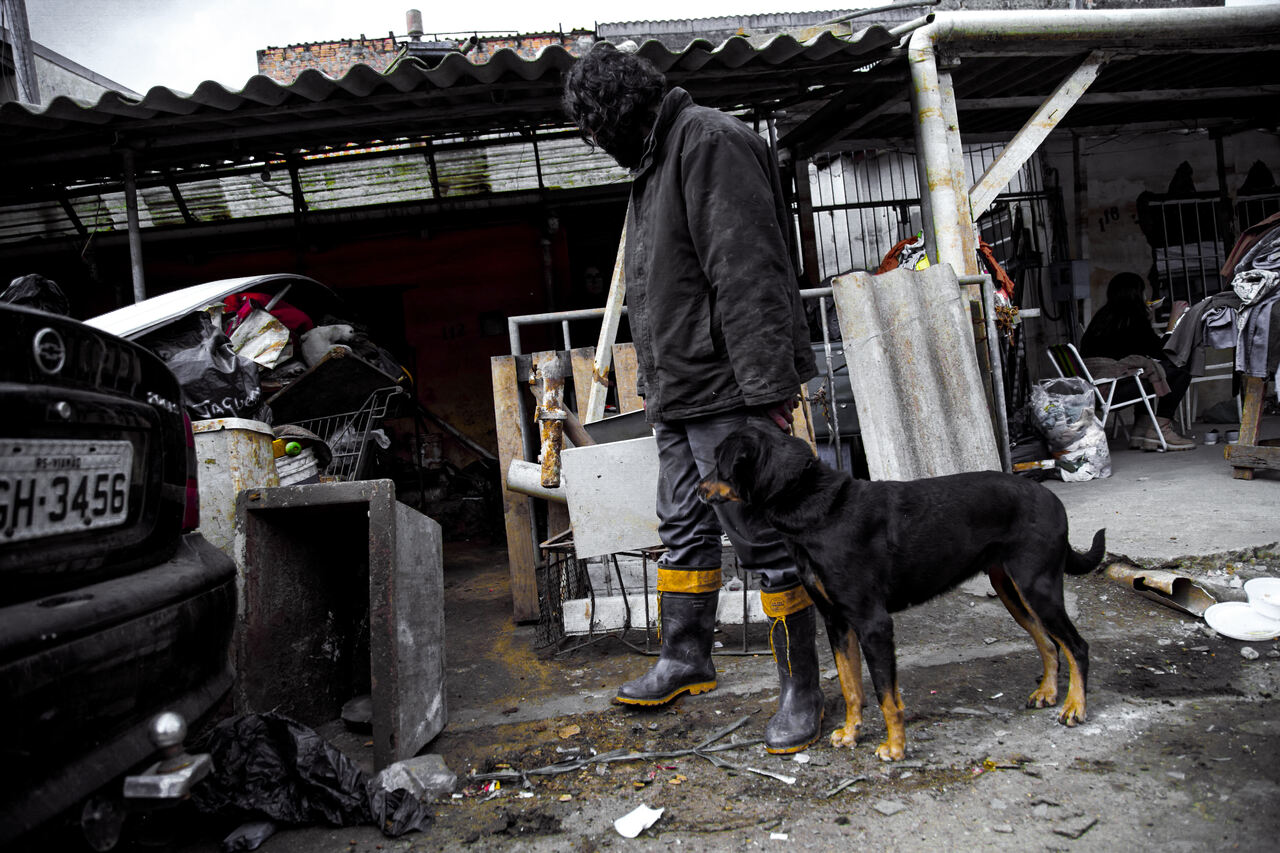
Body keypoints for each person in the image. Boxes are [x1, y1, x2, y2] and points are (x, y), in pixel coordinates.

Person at [562, 44, 823, 753]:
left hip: (728, 389)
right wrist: (654, 386)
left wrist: (769, 391)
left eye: (595, 132)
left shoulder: (708, 142)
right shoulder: (655, 159)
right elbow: (658, 286)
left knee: (764, 538)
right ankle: (685, 655)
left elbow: (748, 275)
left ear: (617, 116)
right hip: (680, 391)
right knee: (682, 524)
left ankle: (804, 686)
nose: (598, 147)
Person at [1079, 272, 1193, 450]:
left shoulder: (1105, 316)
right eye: (1143, 292)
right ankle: (1160, 429)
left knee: (1143, 371)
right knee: (1180, 372)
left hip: (1095, 391)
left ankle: (1141, 429)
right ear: (1137, 294)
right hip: (1111, 392)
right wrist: (1172, 322)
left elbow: (1137, 350)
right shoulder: (1132, 318)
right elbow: (1160, 352)